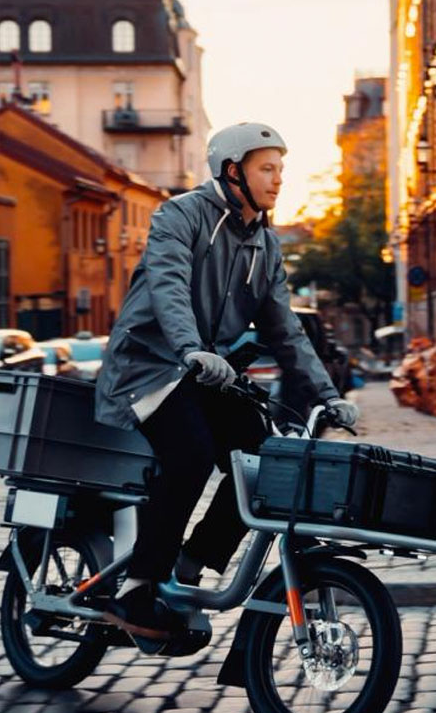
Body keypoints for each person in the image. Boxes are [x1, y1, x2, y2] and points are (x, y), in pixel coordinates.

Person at [93, 122, 359, 640]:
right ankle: (137, 588)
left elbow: (286, 330)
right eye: (267, 168)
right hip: (147, 368)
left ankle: (192, 564)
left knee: (269, 461)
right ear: (233, 170)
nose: (278, 179)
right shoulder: (180, 215)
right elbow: (168, 286)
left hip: (202, 373)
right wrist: (189, 346)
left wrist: (329, 395)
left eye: (282, 169)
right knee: (190, 455)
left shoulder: (264, 243)